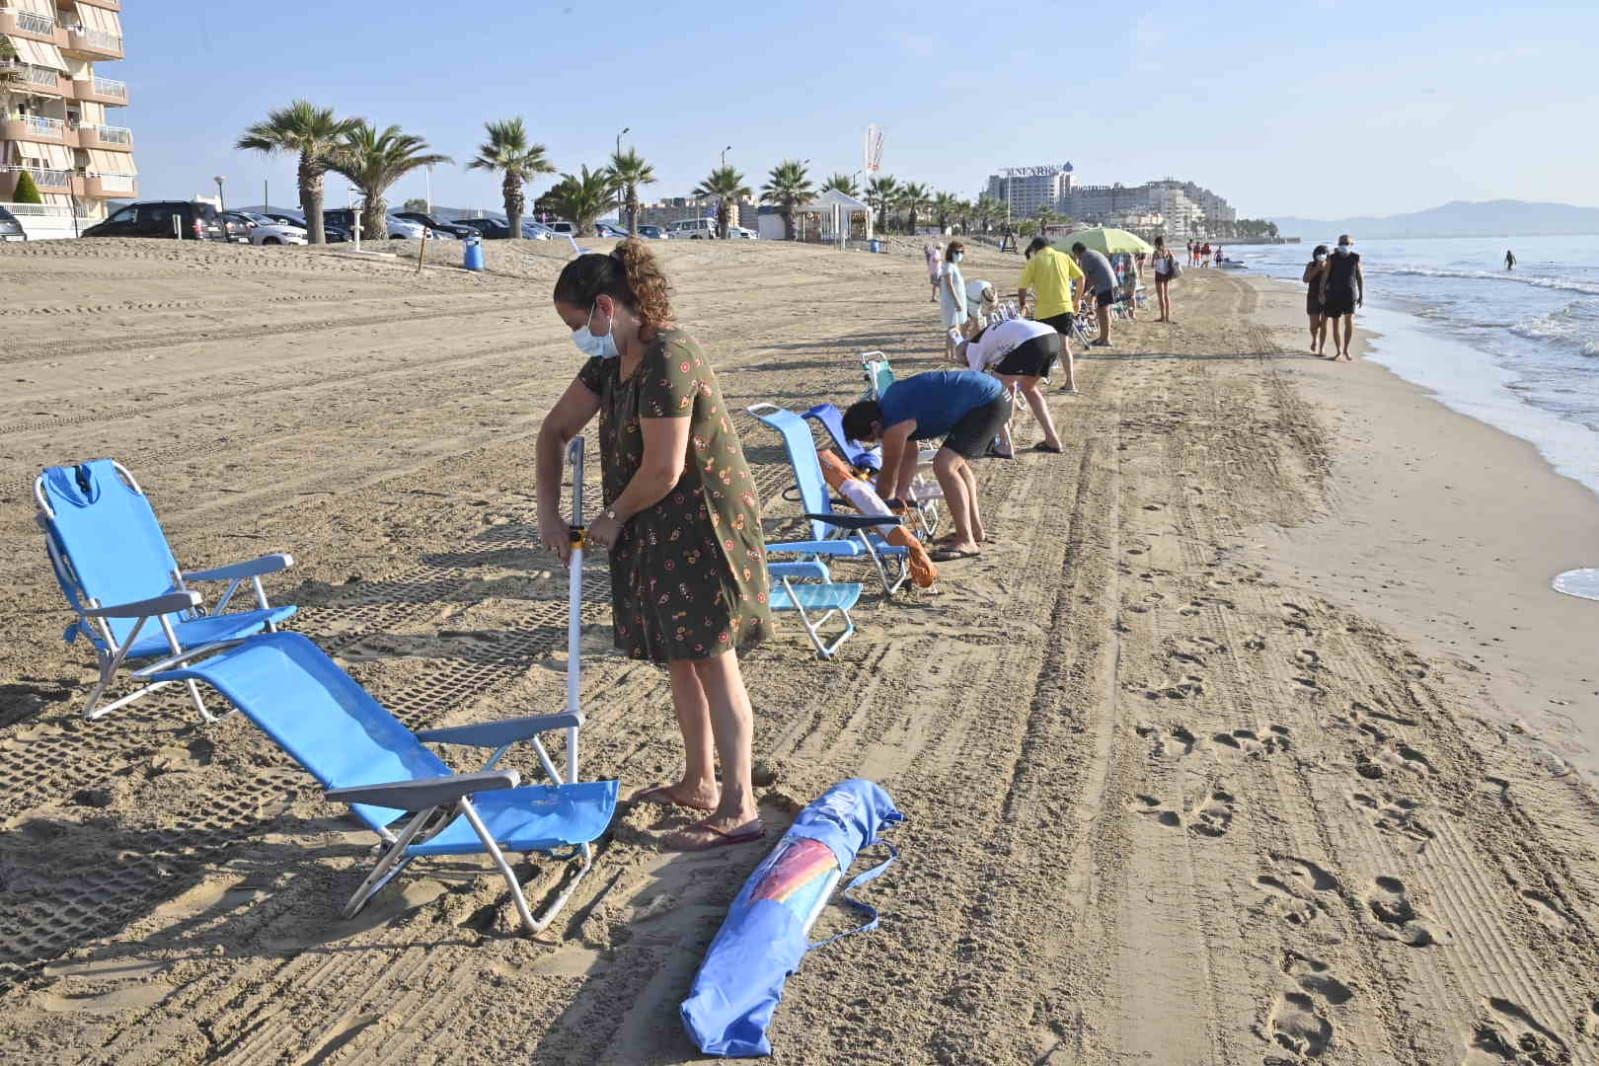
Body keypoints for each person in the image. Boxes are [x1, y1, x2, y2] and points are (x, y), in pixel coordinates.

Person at [536, 240, 770, 852]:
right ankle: (697, 781)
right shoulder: (610, 363)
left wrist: (609, 518)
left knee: (715, 658)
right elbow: (555, 430)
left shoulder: (670, 355)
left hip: (702, 523)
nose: (576, 337)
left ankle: (739, 804)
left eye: (575, 323)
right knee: (680, 655)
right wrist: (549, 515)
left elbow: (665, 468)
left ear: (606, 307)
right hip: (655, 525)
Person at [842, 370, 1010, 561]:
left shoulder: (894, 427)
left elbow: (887, 479)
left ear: (874, 425)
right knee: (958, 466)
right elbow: (909, 454)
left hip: (988, 402)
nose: (878, 440)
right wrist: (902, 492)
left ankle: (966, 540)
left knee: (945, 465)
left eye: (872, 438)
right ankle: (975, 532)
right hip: (992, 394)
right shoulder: (891, 406)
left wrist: (872, 515)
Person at [958, 317, 1065, 454]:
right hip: (1051, 337)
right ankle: (1052, 440)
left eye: (964, 362)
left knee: (994, 391)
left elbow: (977, 384)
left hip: (1031, 342)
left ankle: (1004, 445)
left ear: (965, 353)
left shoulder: (973, 348)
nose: (966, 364)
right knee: (1029, 388)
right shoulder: (992, 338)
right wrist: (1009, 416)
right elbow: (1011, 384)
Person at [1015, 235, 1084, 391]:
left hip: (1044, 312)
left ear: (1035, 248)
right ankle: (1070, 383)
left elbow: (1022, 288)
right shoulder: (1064, 257)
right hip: (1065, 308)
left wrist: (1023, 304)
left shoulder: (1034, 261)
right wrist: (1077, 300)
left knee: (1042, 348)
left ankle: (1033, 383)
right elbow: (1081, 277)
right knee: (1064, 347)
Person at [1320, 234, 1364, 360]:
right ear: (1338, 244)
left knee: (1349, 321)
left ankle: (1346, 349)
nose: (1344, 245)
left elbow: (1359, 277)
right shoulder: (1332, 258)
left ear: (1352, 245)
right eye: (1342, 243)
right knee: (1335, 323)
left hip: (1350, 294)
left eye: (1347, 243)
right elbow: (1325, 276)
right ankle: (1339, 350)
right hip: (1334, 294)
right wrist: (1321, 292)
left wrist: (1361, 295)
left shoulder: (1355, 258)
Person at [1071, 241, 1119, 348]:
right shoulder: (1092, 253)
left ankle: (1106, 339)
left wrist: (1081, 294)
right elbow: (1091, 279)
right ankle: (1102, 337)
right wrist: (1087, 292)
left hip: (1106, 285)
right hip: (1107, 284)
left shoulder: (1086, 258)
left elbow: (1085, 279)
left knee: (1104, 311)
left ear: (1077, 252)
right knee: (1101, 310)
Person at [939, 240, 968, 363]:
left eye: (962, 252)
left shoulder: (954, 266)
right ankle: (950, 354)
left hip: (957, 301)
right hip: (951, 302)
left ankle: (949, 353)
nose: (959, 254)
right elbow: (949, 284)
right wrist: (957, 301)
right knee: (953, 328)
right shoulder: (948, 266)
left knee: (954, 328)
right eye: (957, 252)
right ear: (951, 252)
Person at [1301, 245, 1330, 354]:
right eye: (1319, 253)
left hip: (1326, 297)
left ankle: (1322, 348)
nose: (1321, 256)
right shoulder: (1311, 265)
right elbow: (1305, 279)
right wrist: (1317, 268)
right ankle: (1314, 340)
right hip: (1313, 296)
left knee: (1324, 323)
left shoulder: (1330, 265)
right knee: (1314, 324)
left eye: (1324, 253)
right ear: (1315, 255)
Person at [1151, 235, 1177, 322]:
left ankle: (1162, 317)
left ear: (1157, 244)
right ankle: (1168, 317)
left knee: (1160, 296)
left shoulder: (1156, 252)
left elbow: (1152, 265)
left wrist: (1155, 263)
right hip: (1166, 275)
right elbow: (1173, 260)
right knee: (1166, 296)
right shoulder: (1167, 251)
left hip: (1159, 274)